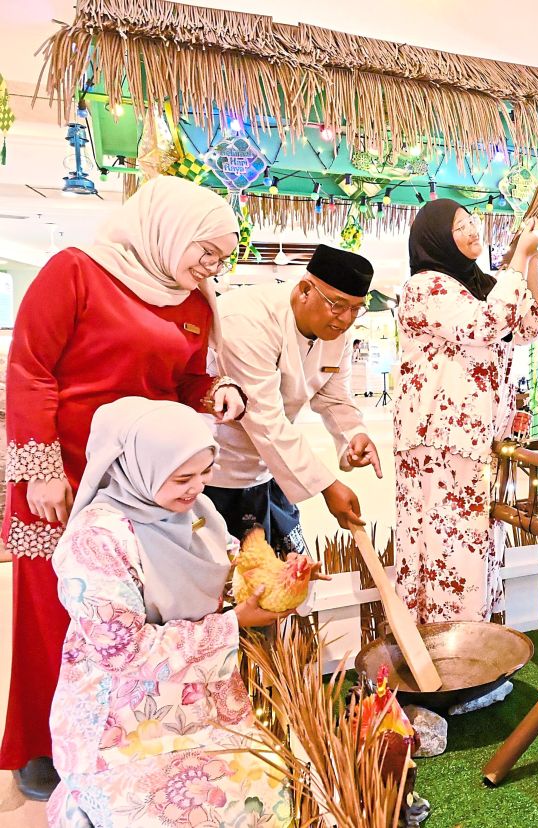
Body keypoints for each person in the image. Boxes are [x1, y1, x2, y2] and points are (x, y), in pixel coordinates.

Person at [2, 176, 245, 800]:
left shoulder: (194, 302)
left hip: (142, 484)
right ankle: (42, 745)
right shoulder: (77, 272)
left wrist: (214, 395)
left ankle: (128, 726)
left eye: (221, 257)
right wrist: (42, 470)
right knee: (53, 611)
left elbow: (190, 380)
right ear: (171, 229)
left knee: (135, 606)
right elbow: (29, 368)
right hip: (64, 472)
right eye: (207, 251)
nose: (211, 267)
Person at [47, 397, 292, 826]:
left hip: (203, 704)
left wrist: (276, 579)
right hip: (121, 725)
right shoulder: (96, 541)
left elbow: (231, 566)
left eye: (205, 472)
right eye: (182, 477)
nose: (197, 487)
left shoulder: (197, 513)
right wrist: (233, 625)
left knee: (272, 798)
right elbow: (124, 653)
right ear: (139, 469)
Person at [394, 200, 538, 622]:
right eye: (460, 226)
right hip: (438, 444)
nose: (472, 230)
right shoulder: (424, 288)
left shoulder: (479, 287)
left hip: (477, 443)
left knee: (477, 549)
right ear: (437, 238)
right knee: (449, 551)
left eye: (472, 222)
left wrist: (530, 261)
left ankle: (478, 657)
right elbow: (484, 326)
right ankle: (440, 662)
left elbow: (528, 328)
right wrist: (517, 257)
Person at [206, 245, 382, 554]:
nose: (346, 319)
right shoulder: (246, 320)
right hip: (215, 470)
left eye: (357, 308)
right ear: (304, 290)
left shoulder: (337, 330)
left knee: (293, 578)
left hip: (271, 470)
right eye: (338, 305)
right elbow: (265, 419)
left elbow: (333, 395)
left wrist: (354, 435)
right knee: (233, 587)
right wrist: (328, 486)